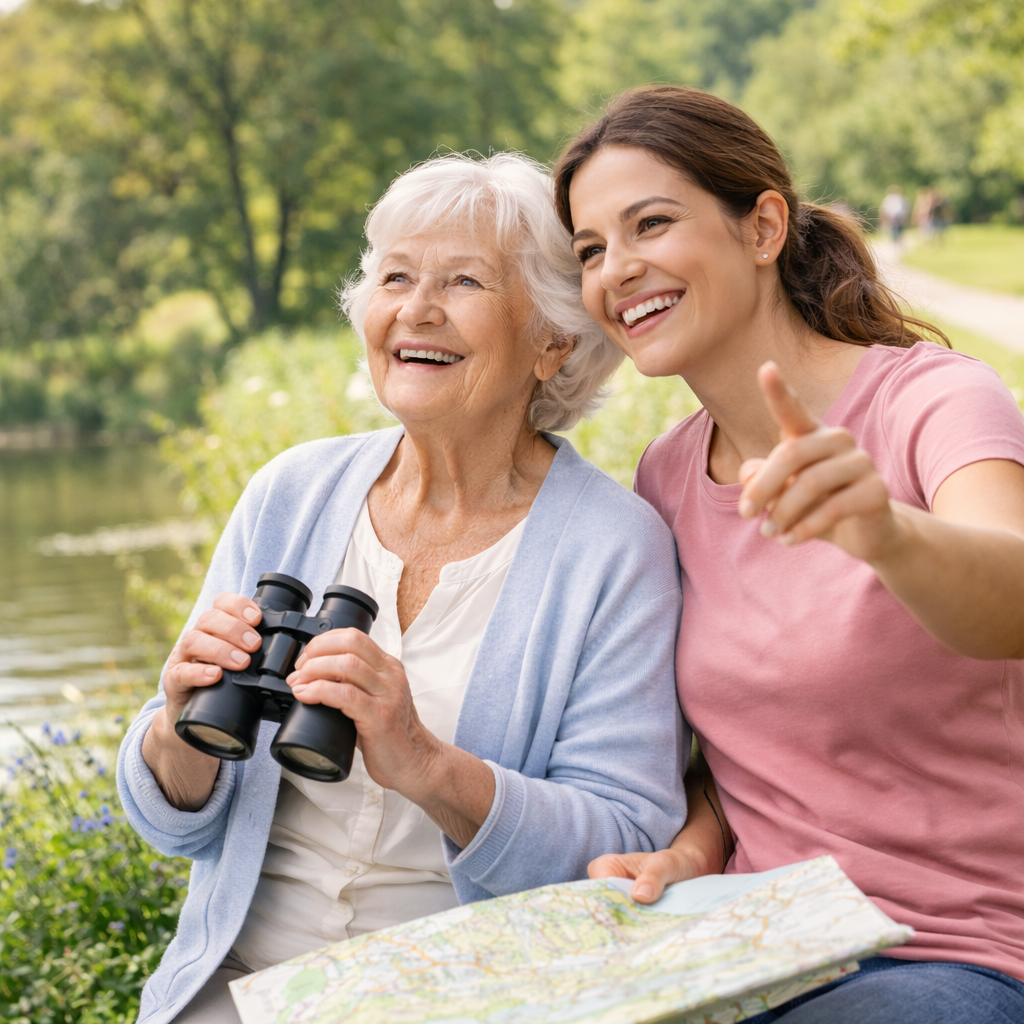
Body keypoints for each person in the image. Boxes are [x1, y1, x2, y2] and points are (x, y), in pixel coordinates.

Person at [117, 152, 706, 1024]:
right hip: (241, 986)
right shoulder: (292, 493)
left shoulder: (613, 549)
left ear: (552, 340)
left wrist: (429, 767)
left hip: (467, 994)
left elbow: (623, 840)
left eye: (462, 281)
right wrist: (176, 728)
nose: (415, 309)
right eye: (395, 277)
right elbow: (174, 825)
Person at [554, 85, 1024, 1022]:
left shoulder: (929, 402)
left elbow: (1012, 596)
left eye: (652, 224)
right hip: (759, 948)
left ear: (762, 226)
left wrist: (888, 534)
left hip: (955, 953)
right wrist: (686, 852)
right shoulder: (666, 479)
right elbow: (748, 750)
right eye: (592, 251)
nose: (620, 270)